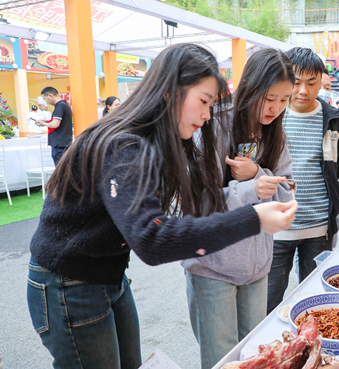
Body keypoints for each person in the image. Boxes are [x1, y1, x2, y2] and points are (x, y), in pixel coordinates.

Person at [26, 43, 298, 369]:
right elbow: (152, 239)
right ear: (170, 92)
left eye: (212, 104)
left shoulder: (165, 140)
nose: (208, 115)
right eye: (203, 101)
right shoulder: (125, 143)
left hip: (109, 275)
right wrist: (252, 217)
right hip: (68, 282)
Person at [182, 48, 294, 368]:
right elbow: (198, 204)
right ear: (251, 88)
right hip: (213, 266)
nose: (276, 108)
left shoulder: (275, 135)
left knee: (257, 352)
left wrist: (259, 174)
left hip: (256, 267)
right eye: (270, 98)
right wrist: (249, 189)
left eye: (284, 100)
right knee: (223, 358)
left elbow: (285, 197)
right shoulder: (213, 126)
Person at [267, 47, 339, 313]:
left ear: (321, 82)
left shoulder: (335, 120)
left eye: (311, 83)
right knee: (268, 302)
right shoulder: (271, 116)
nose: (303, 90)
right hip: (276, 227)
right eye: (296, 82)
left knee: (315, 302)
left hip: (319, 227)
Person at [35, 87, 73, 165]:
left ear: (50, 96)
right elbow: (58, 121)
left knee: (61, 170)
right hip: (64, 143)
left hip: (60, 145)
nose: (46, 102)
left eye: (45, 99)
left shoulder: (60, 106)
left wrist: (43, 124)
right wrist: (46, 121)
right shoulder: (65, 105)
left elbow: (55, 124)